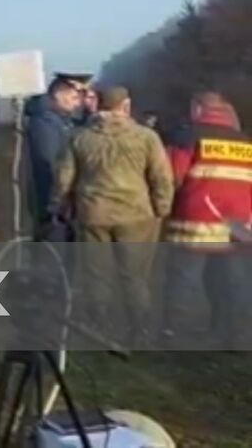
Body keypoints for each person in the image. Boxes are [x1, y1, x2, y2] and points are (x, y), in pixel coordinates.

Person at [56, 85, 174, 343]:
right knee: (135, 275)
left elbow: (64, 179)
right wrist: (161, 209)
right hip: (136, 215)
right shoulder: (146, 137)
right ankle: (138, 329)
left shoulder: (80, 136)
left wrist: (63, 206)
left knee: (96, 273)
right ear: (127, 105)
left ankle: (100, 326)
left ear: (98, 104)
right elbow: (162, 178)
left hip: (93, 212)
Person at [160, 92, 252, 347]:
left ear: (198, 108)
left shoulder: (188, 136)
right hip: (236, 225)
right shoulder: (244, 140)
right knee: (232, 281)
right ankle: (233, 334)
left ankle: (174, 335)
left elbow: (172, 176)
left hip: (195, 221)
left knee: (184, 279)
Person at [23, 77, 83, 238]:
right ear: (58, 94)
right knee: (53, 250)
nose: (77, 103)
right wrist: (55, 203)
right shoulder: (45, 122)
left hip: (58, 202)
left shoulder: (61, 119)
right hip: (50, 204)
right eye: (74, 98)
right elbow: (47, 163)